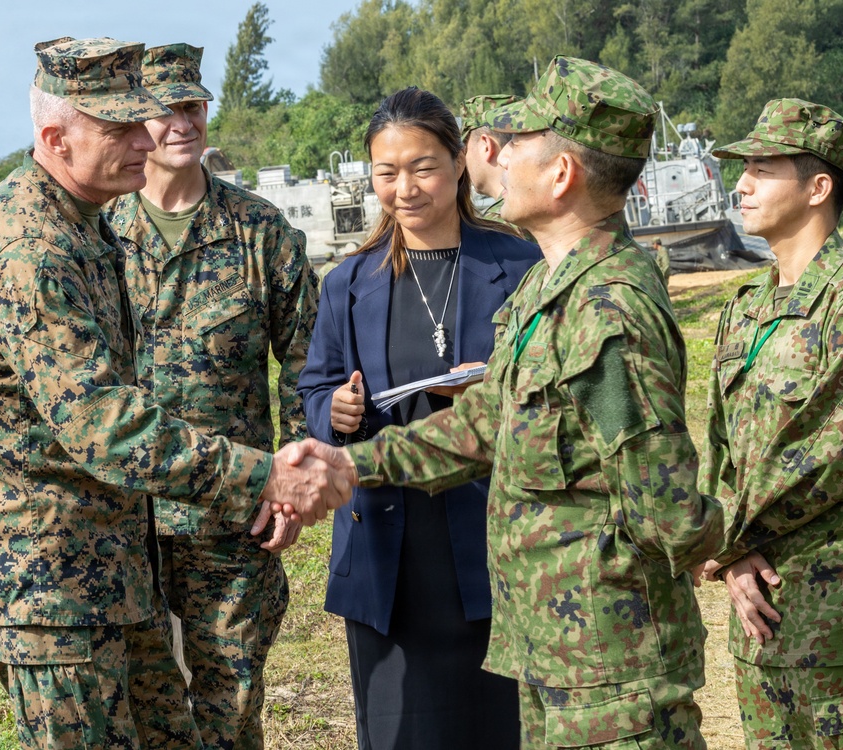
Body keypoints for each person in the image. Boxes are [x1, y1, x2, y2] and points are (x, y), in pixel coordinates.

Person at [288, 58, 722, 749]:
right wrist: (343, 464)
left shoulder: (604, 307)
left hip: (610, 659)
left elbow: (665, 508)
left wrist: (728, 544)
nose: (496, 154)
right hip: (558, 643)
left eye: (517, 143)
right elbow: (482, 425)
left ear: (561, 175)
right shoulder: (551, 291)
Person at [0, 37, 351, 749]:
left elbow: (299, 354)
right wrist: (265, 475)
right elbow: (102, 421)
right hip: (52, 587)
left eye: (147, 119)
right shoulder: (31, 247)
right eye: (120, 127)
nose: (146, 138)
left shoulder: (84, 225)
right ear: (54, 138)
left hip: (112, 569)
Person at [297, 86, 540, 750]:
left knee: (501, 731)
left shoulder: (520, 266)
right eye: (387, 171)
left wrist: (497, 393)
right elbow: (314, 388)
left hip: (492, 545)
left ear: (460, 163)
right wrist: (334, 412)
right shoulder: (348, 283)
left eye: (422, 166)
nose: (404, 187)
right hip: (386, 555)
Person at [106, 43, 317, 750]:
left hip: (231, 521)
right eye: (165, 110)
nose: (181, 124)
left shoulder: (259, 233)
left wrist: (288, 487)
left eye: (192, 106)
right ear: (139, 121)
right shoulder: (100, 233)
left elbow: (307, 362)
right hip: (123, 520)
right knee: (142, 711)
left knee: (230, 711)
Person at [699, 98, 843, 747]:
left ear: (819, 187)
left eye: (763, 167)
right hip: (761, 632)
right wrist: (731, 555)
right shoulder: (747, 308)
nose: (742, 184)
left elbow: (834, 451)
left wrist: (720, 535)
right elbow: (721, 450)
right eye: (743, 168)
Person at [460, 94, 520, 221]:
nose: (463, 160)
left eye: (465, 149)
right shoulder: (539, 208)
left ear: (486, 146)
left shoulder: (499, 225)